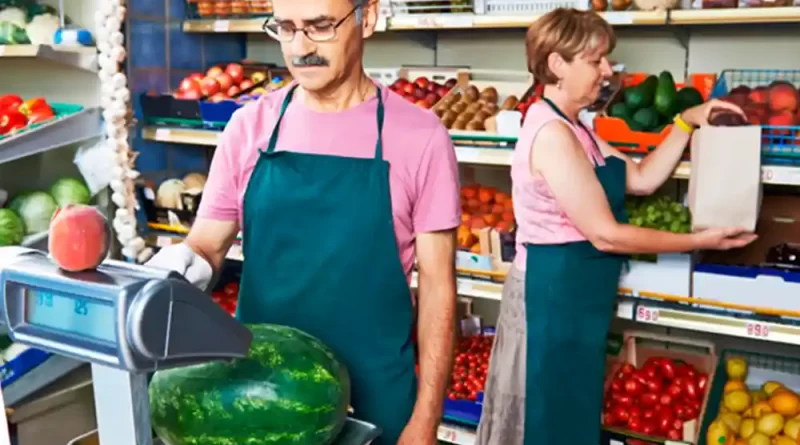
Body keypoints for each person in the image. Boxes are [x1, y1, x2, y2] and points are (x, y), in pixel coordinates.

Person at [145, 0, 461, 443]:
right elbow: (207, 247)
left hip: (378, 397)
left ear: (366, 18)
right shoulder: (248, 127)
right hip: (260, 396)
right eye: (286, 28)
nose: (300, 48)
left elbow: (438, 289)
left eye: (319, 27)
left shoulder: (421, 137)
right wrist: (177, 268)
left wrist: (425, 420)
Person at [474, 9, 756, 445]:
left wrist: (687, 120)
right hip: (550, 300)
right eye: (595, 60)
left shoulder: (577, 127)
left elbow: (641, 179)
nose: (607, 71)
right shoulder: (551, 134)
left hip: (577, 296)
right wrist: (700, 241)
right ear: (556, 65)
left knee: (569, 414)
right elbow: (606, 233)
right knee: (548, 421)